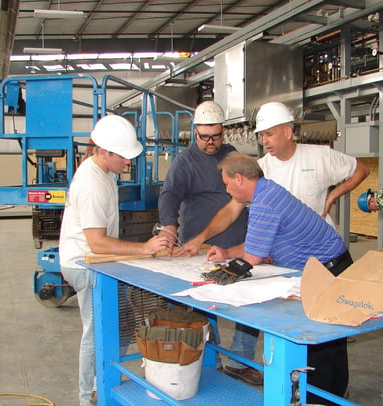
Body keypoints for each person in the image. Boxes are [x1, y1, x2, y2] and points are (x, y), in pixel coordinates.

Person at [206, 152, 351, 405]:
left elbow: (253, 256)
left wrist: (223, 274)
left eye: (227, 184)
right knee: (332, 341)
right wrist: (227, 253)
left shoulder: (264, 202)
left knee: (317, 343)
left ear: (239, 178)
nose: (228, 191)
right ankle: (334, 395)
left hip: (327, 272)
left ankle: (317, 399)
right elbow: (258, 244)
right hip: (332, 266)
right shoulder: (266, 192)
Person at [59, 114, 171, 406]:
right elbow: (96, 242)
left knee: (120, 324)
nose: (129, 162)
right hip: (85, 263)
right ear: (104, 151)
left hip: (99, 260)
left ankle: (103, 381)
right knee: (96, 332)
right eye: (123, 156)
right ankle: (88, 396)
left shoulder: (105, 173)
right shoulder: (92, 184)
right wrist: (144, 249)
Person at [177, 101, 369, 257]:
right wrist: (200, 238)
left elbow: (361, 169)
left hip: (319, 249)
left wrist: (333, 196)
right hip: (286, 253)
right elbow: (231, 211)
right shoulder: (261, 169)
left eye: (269, 134)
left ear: (287, 132)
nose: (264, 141)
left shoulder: (321, 157)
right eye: (262, 135)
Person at [157, 101, 262, 385]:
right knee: (205, 305)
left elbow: (241, 200)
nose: (211, 142)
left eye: (216, 136)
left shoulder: (233, 157)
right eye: (204, 137)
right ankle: (211, 361)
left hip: (237, 244)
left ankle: (240, 362)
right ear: (195, 133)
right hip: (200, 246)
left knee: (249, 304)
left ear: (223, 132)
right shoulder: (185, 161)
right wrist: (169, 226)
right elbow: (169, 194)